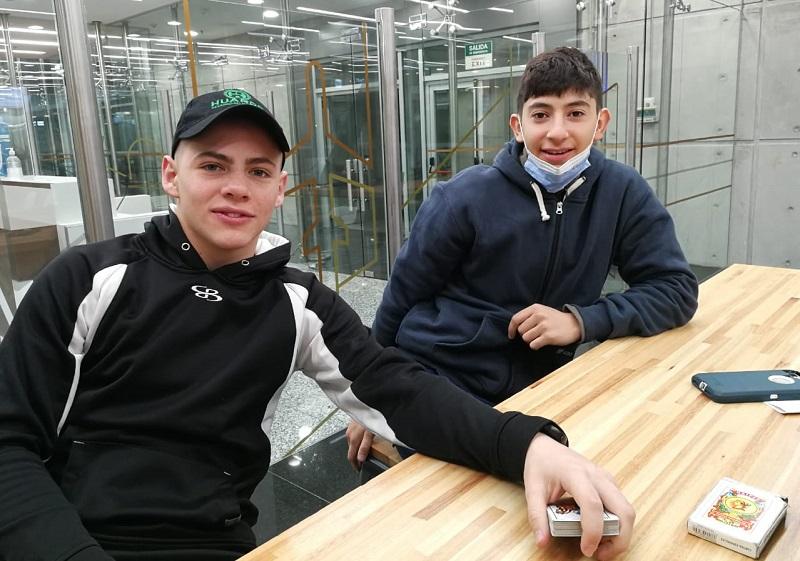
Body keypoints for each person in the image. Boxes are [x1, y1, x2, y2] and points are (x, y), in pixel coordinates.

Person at [0, 88, 633, 561]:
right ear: (172, 175)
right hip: (69, 532)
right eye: (213, 166)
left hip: (215, 541)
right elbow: (8, 443)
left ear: (280, 189)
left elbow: (399, 389)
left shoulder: (296, 301)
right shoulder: (90, 279)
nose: (236, 188)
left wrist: (529, 446)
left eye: (258, 171)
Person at [348, 47, 698, 469]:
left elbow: (676, 290)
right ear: (518, 126)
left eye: (575, 113)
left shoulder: (622, 192)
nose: (557, 132)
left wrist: (580, 321)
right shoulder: (464, 196)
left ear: (600, 123)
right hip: (440, 379)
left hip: (540, 387)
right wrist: (372, 396)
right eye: (541, 114)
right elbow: (400, 298)